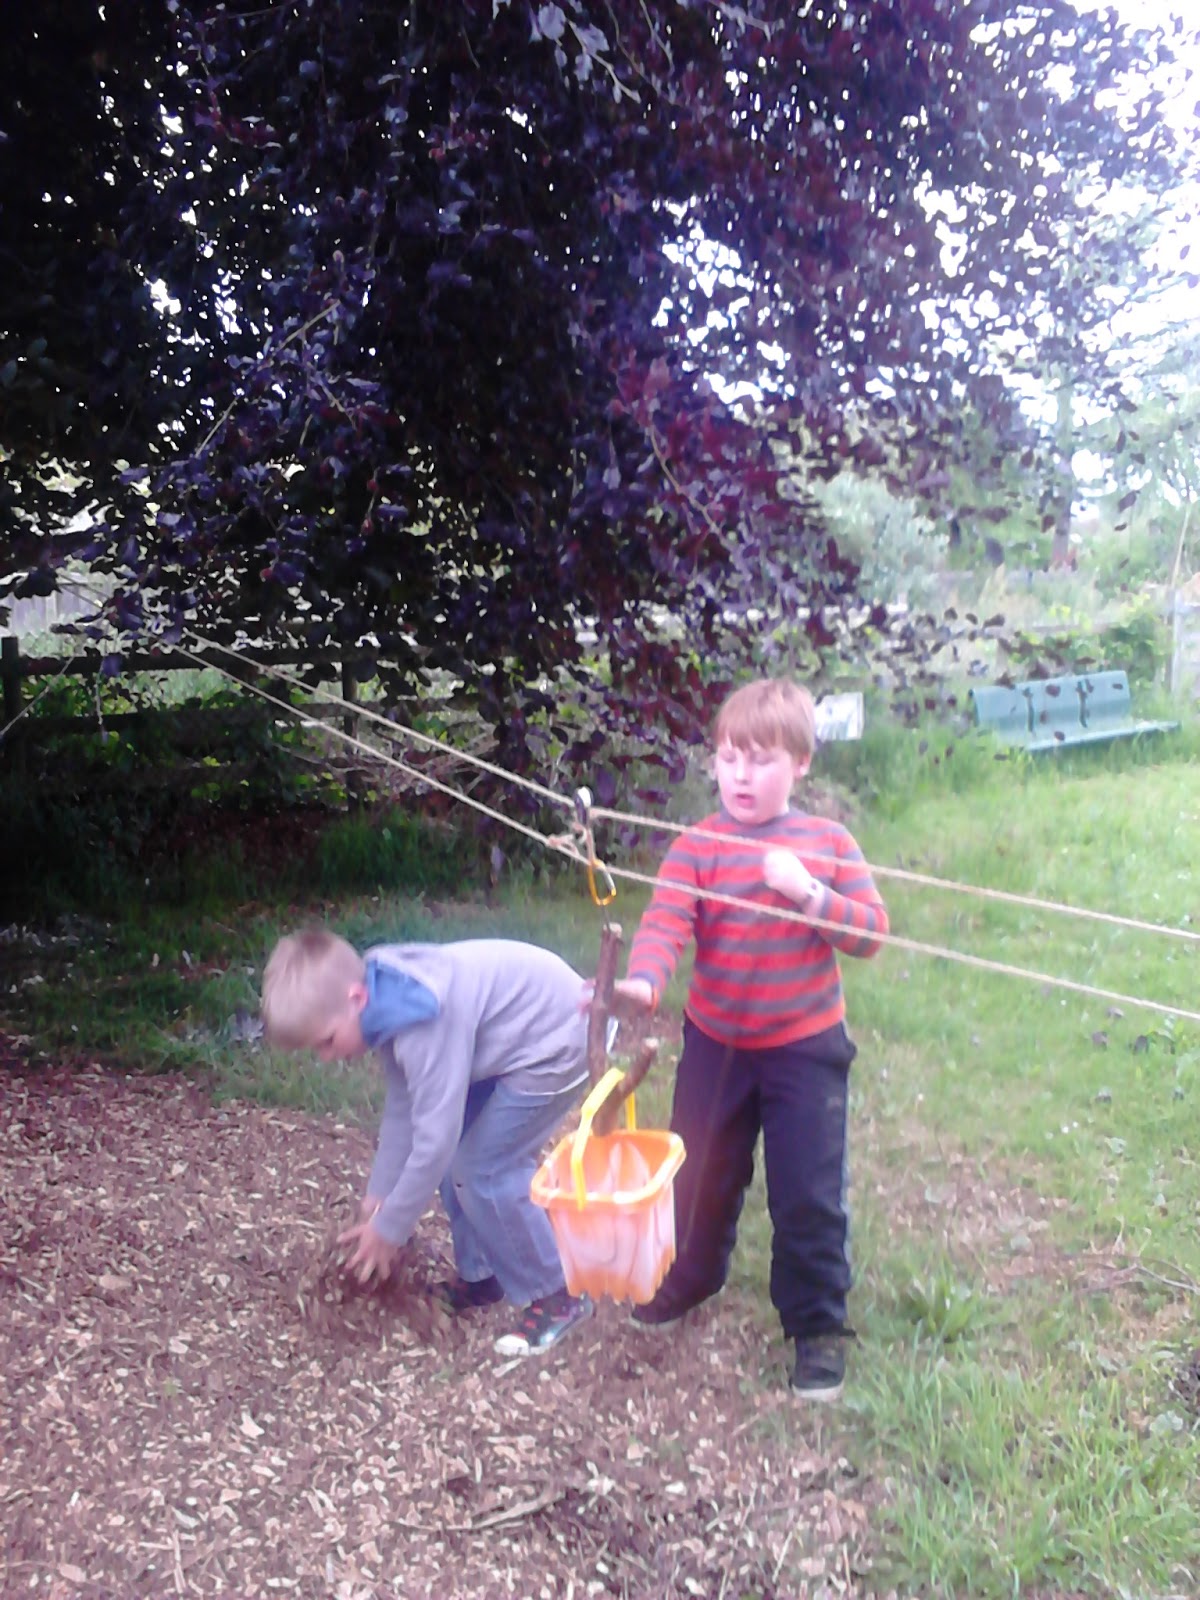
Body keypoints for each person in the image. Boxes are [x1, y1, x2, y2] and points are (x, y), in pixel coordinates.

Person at [613, 677, 889, 1400]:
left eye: (761, 759)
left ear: (800, 764)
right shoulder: (700, 845)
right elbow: (667, 919)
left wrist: (807, 893)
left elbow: (870, 934)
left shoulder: (826, 843)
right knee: (698, 1172)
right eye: (729, 757)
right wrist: (645, 980)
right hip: (716, 1045)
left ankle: (817, 1327)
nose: (740, 775)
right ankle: (690, 1278)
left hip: (806, 1048)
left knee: (807, 1193)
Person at [260, 927, 593, 1357]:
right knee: (457, 1158)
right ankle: (483, 1272)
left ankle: (557, 1294)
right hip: (512, 1042)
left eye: (326, 1041)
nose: (326, 1057)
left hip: (558, 1038)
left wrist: (390, 1230)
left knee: (483, 1169)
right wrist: (378, 1196)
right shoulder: (386, 1001)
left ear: (356, 1000)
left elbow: (434, 1142)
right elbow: (406, 1108)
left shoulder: (420, 1019)